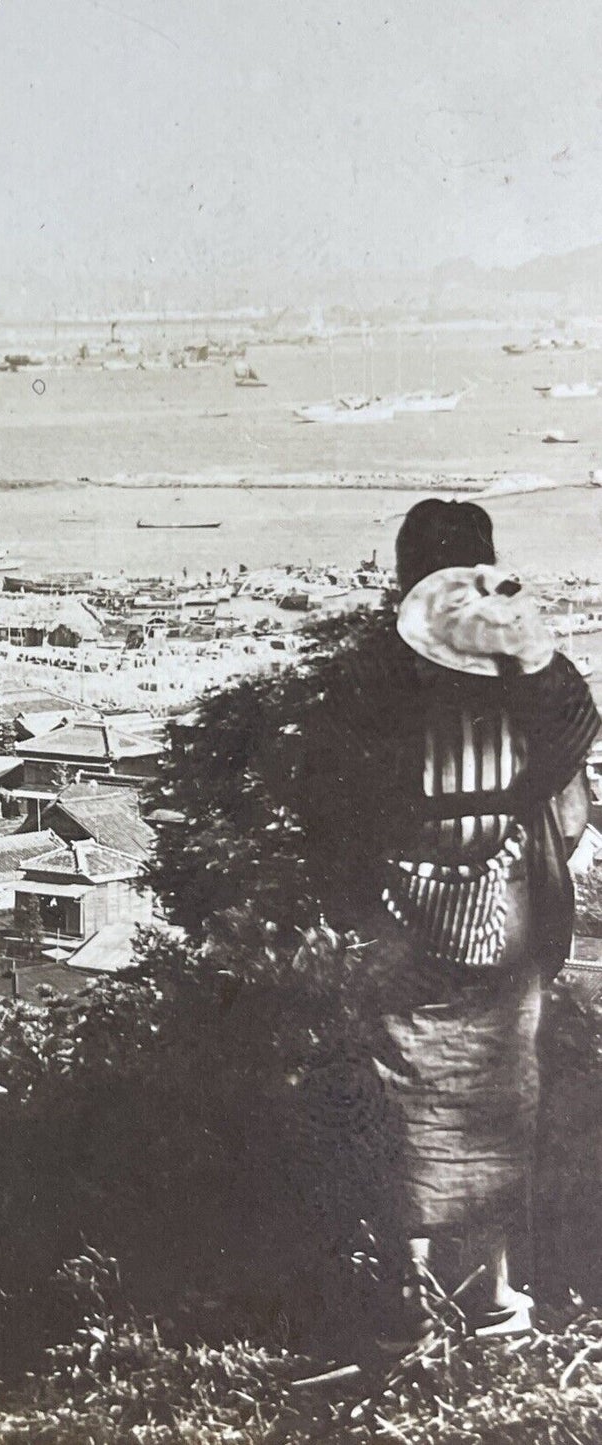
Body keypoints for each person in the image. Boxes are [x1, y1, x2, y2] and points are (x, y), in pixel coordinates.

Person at [304, 499, 598, 1345]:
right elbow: (569, 759)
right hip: (508, 915)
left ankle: (409, 1303)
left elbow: (328, 800)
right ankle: (486, 1302)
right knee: (494, 1104)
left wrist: (356, 900)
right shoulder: (531, 685)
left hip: (398, 921)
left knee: (405, 1102)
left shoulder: (363, 681)